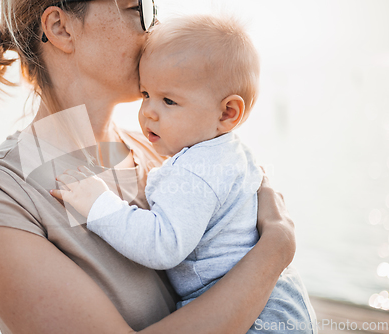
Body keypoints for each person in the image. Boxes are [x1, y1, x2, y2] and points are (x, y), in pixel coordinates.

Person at [0, 0, 298, 333]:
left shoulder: (173, 151)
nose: (155, 26)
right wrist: (274, 252)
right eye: (137, 8)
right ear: (61, 28)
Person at [50, 15, 317, 333]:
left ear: (227, 113)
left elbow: (164, 244)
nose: (148, 110)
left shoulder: (196, 172)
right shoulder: (223, 154)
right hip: (273, 303)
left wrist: (98, 205)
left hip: (259, 318)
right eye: (146, 94)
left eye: (169, 100)